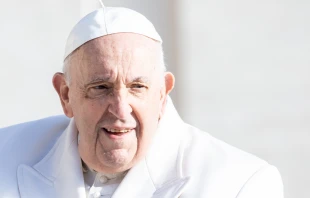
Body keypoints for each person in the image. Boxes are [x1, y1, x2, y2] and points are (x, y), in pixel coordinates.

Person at [0, 6, 283, 198]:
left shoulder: (240, 184)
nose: (121, 109)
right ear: (65, 95)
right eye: (100, 87)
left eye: (138, 87)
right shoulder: (6, 155)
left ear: (162, 93)